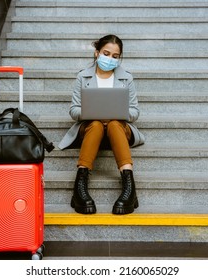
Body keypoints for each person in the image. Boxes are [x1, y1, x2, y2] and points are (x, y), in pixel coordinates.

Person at [58, 34, 145, 215]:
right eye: (106, 53)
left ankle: (129, 189)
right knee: (97, 124)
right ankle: (80, 188)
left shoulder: (126, 78)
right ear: (97, 53)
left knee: (113, 124)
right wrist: (92, 112)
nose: (110, 59)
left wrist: (117, 113)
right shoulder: (83, 77)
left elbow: (135, 112)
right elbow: (74, 110)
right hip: (91, 129)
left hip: (118, 130)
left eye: (115, 56)